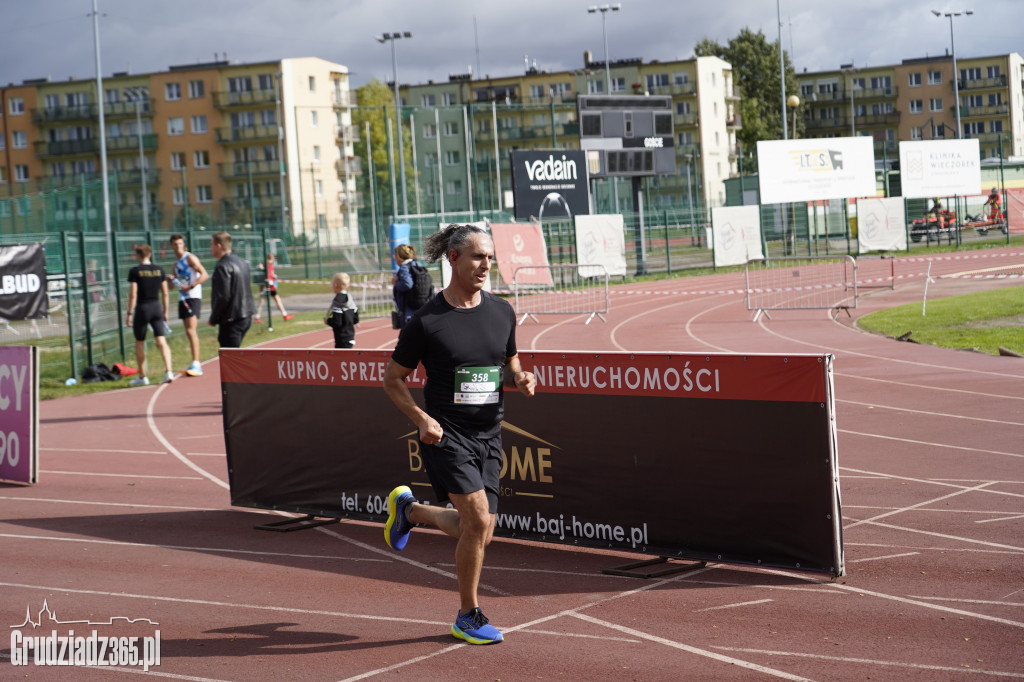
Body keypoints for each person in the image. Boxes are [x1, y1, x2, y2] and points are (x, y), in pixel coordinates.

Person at [382, 223, 536, 645]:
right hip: (445, 435)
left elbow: (510, 360)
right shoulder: (426, 322)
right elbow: (392, 379)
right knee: (478, 520)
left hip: (490, 433)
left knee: (482, 529)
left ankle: (410, 513)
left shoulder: (502, 311)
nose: (486, 264)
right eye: (477, 257)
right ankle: (467, 615)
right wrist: (420, 419)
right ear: (453, 258)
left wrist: (520, 378)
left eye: (490, 257)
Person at [125, 244, 174, 386]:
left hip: (142, 308)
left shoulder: (135, 271)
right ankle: (169, 371)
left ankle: (142, 376)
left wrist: (129, 313)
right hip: (156, 307)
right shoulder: (159, 270)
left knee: (140, 342)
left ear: (138, 256)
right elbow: (165, 292)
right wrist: (165, 311)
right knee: (161, 340)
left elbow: (133, 293)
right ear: (150, 254)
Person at [167, 233, 209, 377]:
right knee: (188, 331)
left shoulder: (190, 258)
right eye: (175, 244)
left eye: (180, 244)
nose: (178, 246)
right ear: (171, 246)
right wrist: (170, 280)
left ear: (183, 245)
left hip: (193, 296)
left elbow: (204, 274)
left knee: (191, 330)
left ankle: (197, 364)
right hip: (182, 299)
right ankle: (194, 362)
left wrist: (191, 286)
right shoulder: (175, 264)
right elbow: (172, 287)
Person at [208, 231, 256, 348]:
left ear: (218, 246)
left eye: (211, 244)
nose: (210, 247)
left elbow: (223, 296)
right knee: (234, 355)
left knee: (230, 359)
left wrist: (213, 318)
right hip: (246, 314)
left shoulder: (223, 266)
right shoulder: (242, 262)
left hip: (232, 318)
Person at [254, 252, 293, 323]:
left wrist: (274, 275)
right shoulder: (268, 265)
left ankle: (257, 317)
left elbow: (269, 274)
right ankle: (285, 315)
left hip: (266, 286)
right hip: (269, 287)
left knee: (263, 302)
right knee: (276, 300)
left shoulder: (264, 265)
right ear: (271, 258)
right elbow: (268, 277)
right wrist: (273, 284)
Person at [324, 272, 358, 349]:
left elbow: (337, 322)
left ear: (335, 285)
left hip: (341, 338)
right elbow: (356, 319)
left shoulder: (337, 301)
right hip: (350, 336)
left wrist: (328, 321)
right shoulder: (350, 298)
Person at [391, 243, 421, 329]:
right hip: (419, 305)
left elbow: (407, 284)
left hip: (409, 308)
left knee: (406, 338)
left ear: (399, 257)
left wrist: (396, 282)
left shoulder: (404, 267)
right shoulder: (417, 264)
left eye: (395, 256)